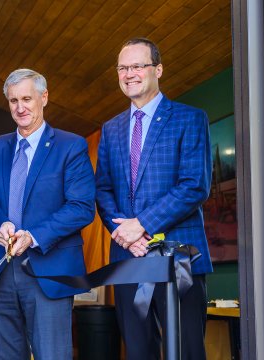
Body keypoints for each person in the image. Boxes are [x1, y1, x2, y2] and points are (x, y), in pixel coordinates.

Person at [95, 38, 212, 359]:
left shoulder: (190, 118)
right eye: (122, 67)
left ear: (157, 70)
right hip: (128, 260)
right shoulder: (110, 129)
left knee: (187, 350)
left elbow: (194, 185)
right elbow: (103, 190)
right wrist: (125, 234)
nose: (129, 73)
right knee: (138, 350)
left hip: (178, 259)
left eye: (137, 66)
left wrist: (142, 225)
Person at [0, 68, 96, 359]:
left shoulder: (71, 146)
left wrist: (34, 235)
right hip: (1, 273)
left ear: (44, 97)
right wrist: (0, 223)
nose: (20, 107)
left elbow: (81, 207)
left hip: (49, 272)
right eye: (13, 100)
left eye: (27, 98)